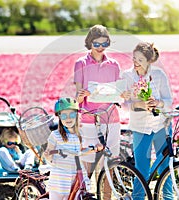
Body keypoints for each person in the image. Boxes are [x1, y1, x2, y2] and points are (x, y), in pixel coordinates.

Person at [74, 24, 129, 175]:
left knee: (111, 161)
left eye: (104, 44)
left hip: (111, 118)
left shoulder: (114, 65)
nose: (100, 47)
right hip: (89, 118)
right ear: (89, 43)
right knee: (88, 160)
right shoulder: (81, 63)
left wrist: (123, 95)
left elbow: (118, 92)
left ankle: (107, 197)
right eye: (96, 44)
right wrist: (80, 95)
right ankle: (85, 195)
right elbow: (77, 98)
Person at [121, 42, 173, 199]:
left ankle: (168, 197)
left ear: (149, 61)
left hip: (161, 126)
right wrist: (139, 104)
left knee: (165, 166)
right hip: (140, 128)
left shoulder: (159, 75)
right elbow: (124, 105)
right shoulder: (127, 76)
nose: (135, 62)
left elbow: (169, 100)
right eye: (134, 58)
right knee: (141, 168)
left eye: (140, 60)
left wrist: (158, 103)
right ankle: (138, 197)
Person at [44, 97, 102, 200]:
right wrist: (49, 155)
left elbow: (79, 152)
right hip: (60, 177)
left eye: (72, 115)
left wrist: (94, 149)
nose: (68, 119)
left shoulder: (79, 134)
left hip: (75, 175)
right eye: (64, 116)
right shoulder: (55, 135)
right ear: (59, 117)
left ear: (77, 116)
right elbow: (49, 154)